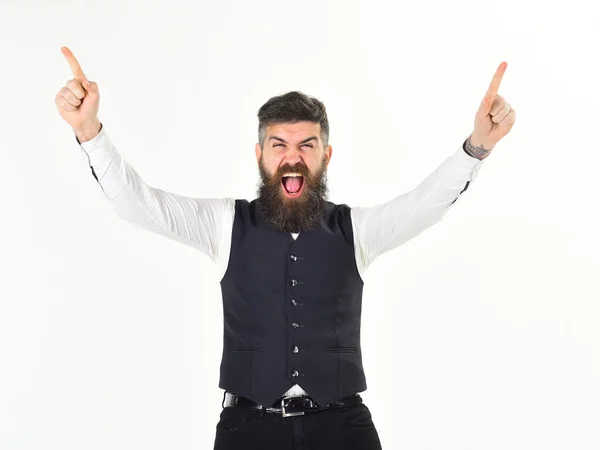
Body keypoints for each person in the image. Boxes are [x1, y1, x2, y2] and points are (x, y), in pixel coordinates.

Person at [55, 46, 516, 450]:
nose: (292, 156)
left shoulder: (356, 228)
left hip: (343, 427)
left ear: (325, 155)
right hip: (247, 428)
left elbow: (424, 205)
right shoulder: (223, 223)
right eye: (278, 144)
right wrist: (89, 131)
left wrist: (477, 147)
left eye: (306, 144)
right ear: (260, 155)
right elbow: (140, 205)